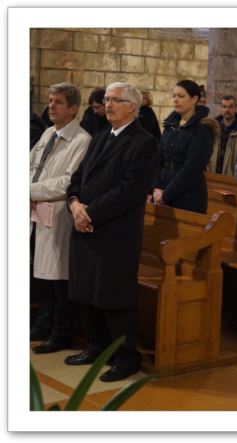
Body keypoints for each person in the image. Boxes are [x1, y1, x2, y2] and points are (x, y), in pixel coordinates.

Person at [65, 82, 160, 382]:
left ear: (132, 106)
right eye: (106, 99)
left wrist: (89, 213)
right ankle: (96, 346)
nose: (108, 104)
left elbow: (129, 191)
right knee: (87, 291)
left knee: (115, 296)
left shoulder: (143, 142)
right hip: (86, 225)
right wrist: (74, 203)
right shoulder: (100, 137)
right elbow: (78, 177)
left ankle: (125, 357)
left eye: (115, 100)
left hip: (115, 230)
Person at [30, 83, 91, 353]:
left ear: (73, 108)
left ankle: (61, 332)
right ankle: (43, 324)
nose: (51, 106)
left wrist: (29, 190)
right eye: (50, 100)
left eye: (58, 102)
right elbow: (31, 165)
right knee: (42, 273)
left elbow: (68, 181)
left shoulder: (82, 140)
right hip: (37, 210)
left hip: (59, 214)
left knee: (59, 276)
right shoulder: (48, 132)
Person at [151, 80, 213, 214]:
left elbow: (191, 170)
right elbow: (159, 159)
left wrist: (166, 195)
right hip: (160, 193)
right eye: (174, 96)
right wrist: (156, 188)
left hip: (187, 197)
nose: (175, 100)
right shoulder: (170, 125)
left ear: (194, 99)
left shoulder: (202, 130)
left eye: (181, 96)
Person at [211, 95, 237, 175]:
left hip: (230, 177)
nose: (227, 110)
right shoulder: (212, 129)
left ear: (236, 108)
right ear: (220, 108)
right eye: (224, 107)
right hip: (211, 175)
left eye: (230, 107)